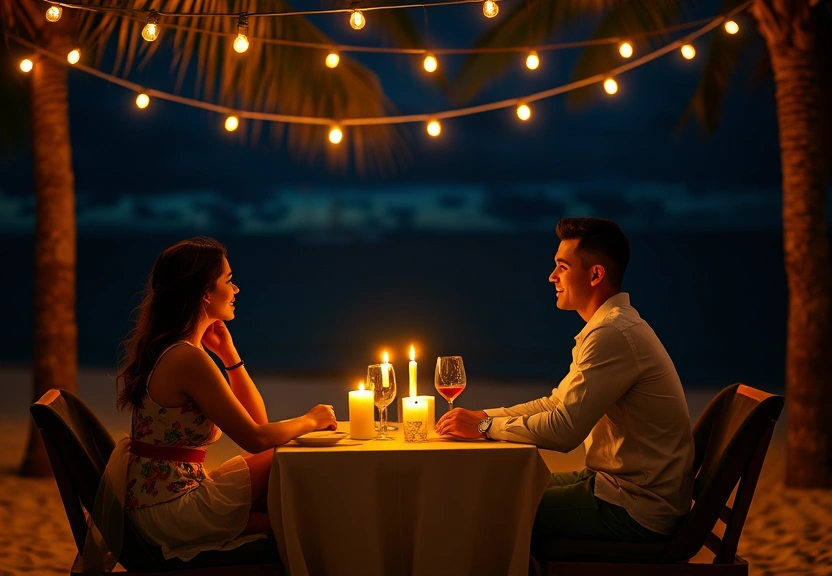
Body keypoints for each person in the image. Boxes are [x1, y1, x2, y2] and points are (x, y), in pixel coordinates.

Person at [435, 218, 695, 542]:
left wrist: (483, 429)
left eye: (562, 267)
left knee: (485, 507)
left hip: (635, 509)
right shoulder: (612, 326)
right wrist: (485, 418)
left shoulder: (612, 333)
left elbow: (563, 430)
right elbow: (555, 404)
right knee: (499, 490)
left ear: (595, 274)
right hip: (615, 486)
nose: (552, 276)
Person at [90, 237, 336, 567]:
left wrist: (229, 356)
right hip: (170, 509)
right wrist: (311, 420)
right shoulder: (186, 359)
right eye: (228, 281)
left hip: (163, 500)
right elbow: (256, 438)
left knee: (285, 509)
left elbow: (258, 423)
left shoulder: (183, 351)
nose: (235, 290)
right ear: (205, 293)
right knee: (285, 472)